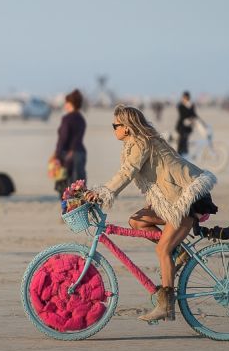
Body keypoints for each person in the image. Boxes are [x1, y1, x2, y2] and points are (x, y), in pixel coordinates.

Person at [85, 105, 217, 323]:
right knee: (137, 221)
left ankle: (166, 305)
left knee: (162, 250)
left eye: (115, 125)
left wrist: (103, 192)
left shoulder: (140, 142)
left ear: (126, 128)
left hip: (188, 200)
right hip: (173, 200)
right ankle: (180, 252)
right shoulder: (139, 141)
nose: (113, 129)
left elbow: (127, 173)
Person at [53, 89, 86, 196]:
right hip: (81, 152)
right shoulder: (81, 119)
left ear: (71, 104)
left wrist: (57, 155)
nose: (65, 105)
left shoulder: (67, 119)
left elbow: (63, 138)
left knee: (67, 188)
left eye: (66, 102)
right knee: (80, 187)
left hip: (69, 155)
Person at [175, 91, 197, 156]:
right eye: (184, 98)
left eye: (187, 98)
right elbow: (182, 114)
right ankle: (179, 153)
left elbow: (194, 114)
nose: (186, 99)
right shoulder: (180, 105)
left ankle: (185, 153)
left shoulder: (191, 105)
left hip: (188, 127)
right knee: (182, 139)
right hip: (181, 126)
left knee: (186, 139)